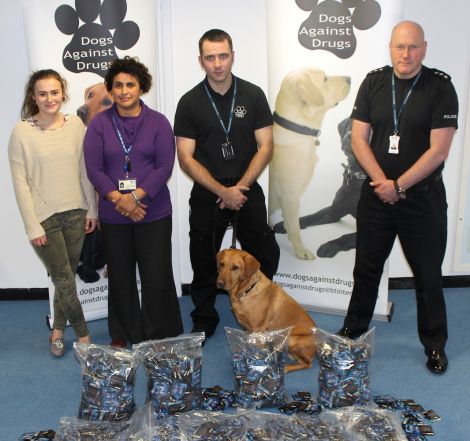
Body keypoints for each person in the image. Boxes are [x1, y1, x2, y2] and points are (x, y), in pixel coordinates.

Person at [337, 21, 458, 374]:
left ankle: (434, 345)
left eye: (413, 47)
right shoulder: (374, 81)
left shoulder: (441, 87)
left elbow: (438, 151)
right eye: (400, 47)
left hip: (422, 199)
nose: (406, 55)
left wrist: (400, 185)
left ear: (424, 47)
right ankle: (353, 330)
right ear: (391, 47)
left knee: (428, 276)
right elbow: (358, 139)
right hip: (377, 196)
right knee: (366, 270)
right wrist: (382, 183)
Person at [174, 29, 280, 339]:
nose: (218, 64)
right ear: (201, 61)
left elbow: (266, 146)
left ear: (232, 56)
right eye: (210, 58)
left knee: (263, 254)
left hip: (246, 187)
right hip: (209, 191)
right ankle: (205, 319)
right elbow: (185, 158)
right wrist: (222, 192)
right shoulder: (190, 102)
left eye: (223, 56)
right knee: (203, 257)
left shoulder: (253, 94)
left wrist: (240, 189)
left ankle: (260, 312)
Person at [84, 57, 183, 347]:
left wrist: (136, 197)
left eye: (130, 84)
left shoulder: (158, 122)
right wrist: (119, 200)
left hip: (153, 212)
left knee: (156, 274)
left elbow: (164, 166)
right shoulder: (100, 125)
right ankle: (123, 332)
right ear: (110, 89)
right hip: (115, 215)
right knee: (121, 276)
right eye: (118, 85)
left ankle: (160, 331)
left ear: (142, 88)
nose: (124, 91)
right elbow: (94, 169)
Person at [8, 69, 97, 357]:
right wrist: (31, 225)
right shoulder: (22, 131)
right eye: (43, 93)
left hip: (76, 212)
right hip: (45, 218)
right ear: (33, 96)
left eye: (54, 92)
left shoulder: (75, 126)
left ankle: (57, 330)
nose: (49, 99)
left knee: (66, 276)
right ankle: (84, 336)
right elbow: (20, 183)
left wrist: (92, 208)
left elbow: (85, 170)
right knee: (64, 278)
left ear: (63, 94)